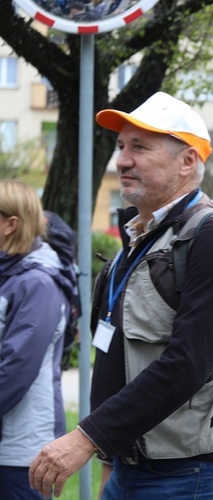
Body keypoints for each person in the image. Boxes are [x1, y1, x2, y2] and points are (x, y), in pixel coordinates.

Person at [29, 91, 213, 499]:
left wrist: (87, 438)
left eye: (140, 147)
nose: (122, 160)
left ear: (188, 161)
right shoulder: (143, 238)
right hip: (132, 467)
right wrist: (108, 454)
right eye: (121, 147)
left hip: (193, 475)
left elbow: (187, 363)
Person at [0, 180, 76, 499]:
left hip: (20, 450)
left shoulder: (37, 283)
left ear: (10, 224)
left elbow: (16, 366)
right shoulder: (10, 276)